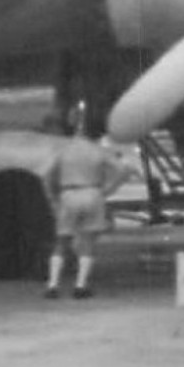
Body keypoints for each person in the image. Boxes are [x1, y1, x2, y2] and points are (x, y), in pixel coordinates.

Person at [41, 109, 130, 299]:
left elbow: (46, 175)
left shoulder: (63, 150)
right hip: (93, 193)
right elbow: (122, 169)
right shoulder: (98, 150)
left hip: (68, 194)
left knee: (61, 241)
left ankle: (52, 285)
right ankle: (81, 286)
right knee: (88, 241)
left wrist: (52, 196)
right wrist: (108, 189)